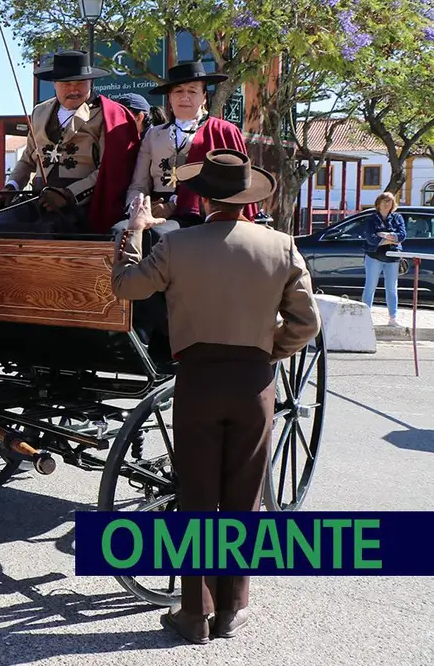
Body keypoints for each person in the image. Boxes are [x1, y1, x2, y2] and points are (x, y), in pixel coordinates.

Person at [111, 149, 322, 645]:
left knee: (197, 497)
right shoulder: (281, 246)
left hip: (198, 381)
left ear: (202, 197)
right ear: (247, 199)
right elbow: (307, 323)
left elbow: (127, 286)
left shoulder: (177, 246)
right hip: (253, 383)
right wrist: (268, 351)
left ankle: (194, 615)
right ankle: (232, 610)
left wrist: (137, 229)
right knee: (244, 498)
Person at [0, 50, 140, 236]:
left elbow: (110, 170)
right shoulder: (40, 112)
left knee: (47, 233)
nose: (74, 90)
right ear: (55, 84)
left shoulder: (108, 115)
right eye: (66, 84)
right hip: (38, 198)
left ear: (90, 82)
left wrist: (68, 195)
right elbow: (28, 159)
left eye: (80, 83)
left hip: (82, 203)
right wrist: (12, 186)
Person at [119, 61, 257, 241]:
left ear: (204, 97)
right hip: (151, 209)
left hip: (197, 213)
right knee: (119, 231)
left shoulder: (222, 131)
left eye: (192, 91)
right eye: (178, 91)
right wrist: (139, 209)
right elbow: (139, 184)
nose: (185, 97)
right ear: (169, 97)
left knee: (157, 235)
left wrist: (172, 205)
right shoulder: (153, 135)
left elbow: (230, 186)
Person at [362, 191, 406, 326]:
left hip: (393, 257)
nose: (387, 204)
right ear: (378, 203)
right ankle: (365, 317)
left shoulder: (397, 217)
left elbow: (402, 235)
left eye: (390, 201)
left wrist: (385, 235)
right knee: (370, 286)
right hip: (374, 256)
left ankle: (393, 318)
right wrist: (392, 239)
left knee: (392, 288)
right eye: (385, 201)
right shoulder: (371, 219)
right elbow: (371, 239)